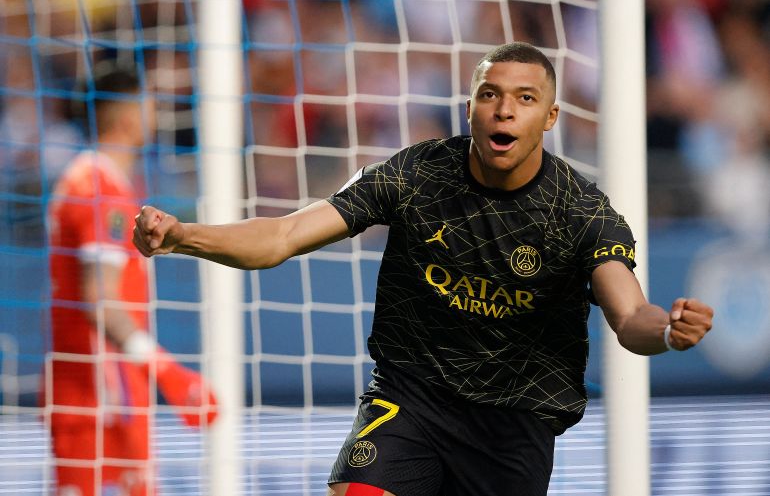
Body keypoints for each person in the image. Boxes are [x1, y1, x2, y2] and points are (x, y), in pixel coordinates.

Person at [133, 42, 713, 496]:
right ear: (470, 107)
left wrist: (666, 329)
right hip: (412, 397)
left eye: (524, 98)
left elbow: (629, 315)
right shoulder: (415, 176)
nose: (504, 109)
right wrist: (184, 236)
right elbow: (284, 235)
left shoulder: (582, 213)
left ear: (550, 116)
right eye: (489, 94)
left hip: (514, 423)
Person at [46, 60, 217, 496]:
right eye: (149, 104)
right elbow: (99, 300)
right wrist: (167, 370)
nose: (155, 114)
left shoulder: (90, 180)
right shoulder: (99, 188)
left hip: (94, 392)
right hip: (101, 397)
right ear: (125, 115)